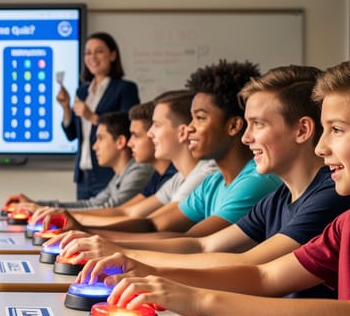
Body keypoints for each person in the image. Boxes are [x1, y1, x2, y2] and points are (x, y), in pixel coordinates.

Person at [83, 53, 350, 316]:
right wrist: (149, 276)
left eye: (337, 130)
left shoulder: (336, 201)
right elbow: (262, 273)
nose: (323, 148)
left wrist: (198, 299)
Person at [66, 59, 281, 239]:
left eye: (200, 118)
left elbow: (194, 243)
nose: (190, 128)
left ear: (234, 125)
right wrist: (84, 231)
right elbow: (153, 225)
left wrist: (96, 238)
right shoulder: (213, 183)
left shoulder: (255, 180)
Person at [57, 32, 139, 199]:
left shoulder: (125, 88)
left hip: (109, 172)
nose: (92, 57)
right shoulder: (82, 91)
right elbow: (71, 134)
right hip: (83, 173)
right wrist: (66, 108)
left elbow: (127, 127)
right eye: (88, 52)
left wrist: (92, 116)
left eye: (99, 51)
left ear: (113, 55)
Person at [20, 111, 155, 211]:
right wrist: (38, 205)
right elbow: (92, 205)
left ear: (120, 142)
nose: (94, 146)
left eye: (100, 138)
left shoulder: (140, 170)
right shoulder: (121, 174)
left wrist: (48, 211)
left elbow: (108, 210)